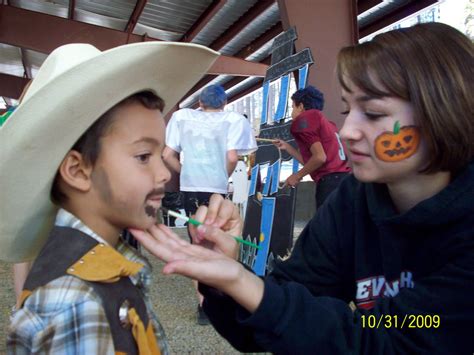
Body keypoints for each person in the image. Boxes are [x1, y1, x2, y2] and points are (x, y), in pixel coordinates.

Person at [130, 22, 474, 354]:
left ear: (443, 114)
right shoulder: (354, 202)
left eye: (372, 112)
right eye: (347, 109)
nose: (348, 130)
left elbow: (385, 343)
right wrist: (226, 280)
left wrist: (245, 285)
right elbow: (270, 325)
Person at [1, 41, 219, 353]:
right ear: (77, 170)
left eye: (160, 154)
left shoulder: (103, 268)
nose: (164, 175)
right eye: (144, 156)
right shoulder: (75, 305)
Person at [162, 84, 257, 325]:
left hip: (191, 188)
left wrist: (185, 172)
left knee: (198, 242)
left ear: (200, 104)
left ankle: (203, 305)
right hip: (216, 188)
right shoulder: (232, 120)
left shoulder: (182, 117)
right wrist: (221, 177)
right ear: (224, 104)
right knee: (222, 239)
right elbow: (233, 157)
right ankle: (227, 295)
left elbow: (166, 155)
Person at [274, 85, 351, 209]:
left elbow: (320, 158)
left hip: (329, 183)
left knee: (326, 226)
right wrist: (288, 147)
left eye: (293, 107)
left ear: (301, 106)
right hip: (344, 180)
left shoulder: (305, 119)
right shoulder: (329, 124)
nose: (292, 112)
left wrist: (297, 175)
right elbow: (314, 161)